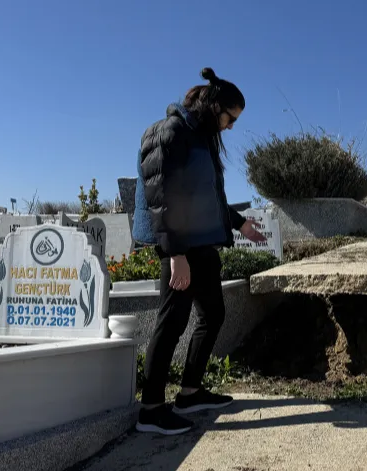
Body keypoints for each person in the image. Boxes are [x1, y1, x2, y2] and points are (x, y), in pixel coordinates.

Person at [132, 67, 267, 435]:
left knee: (213, 314)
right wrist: (176, 254)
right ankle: (152, 408)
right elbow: (160, 196)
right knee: (171, 320)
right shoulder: (167, 132)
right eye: (230, 117)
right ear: (213, 107)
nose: (231, 127)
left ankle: (190, 392)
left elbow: (207, 196)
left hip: (201, 240)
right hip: (178, 244)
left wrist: (240, 224)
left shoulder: (202, 139)